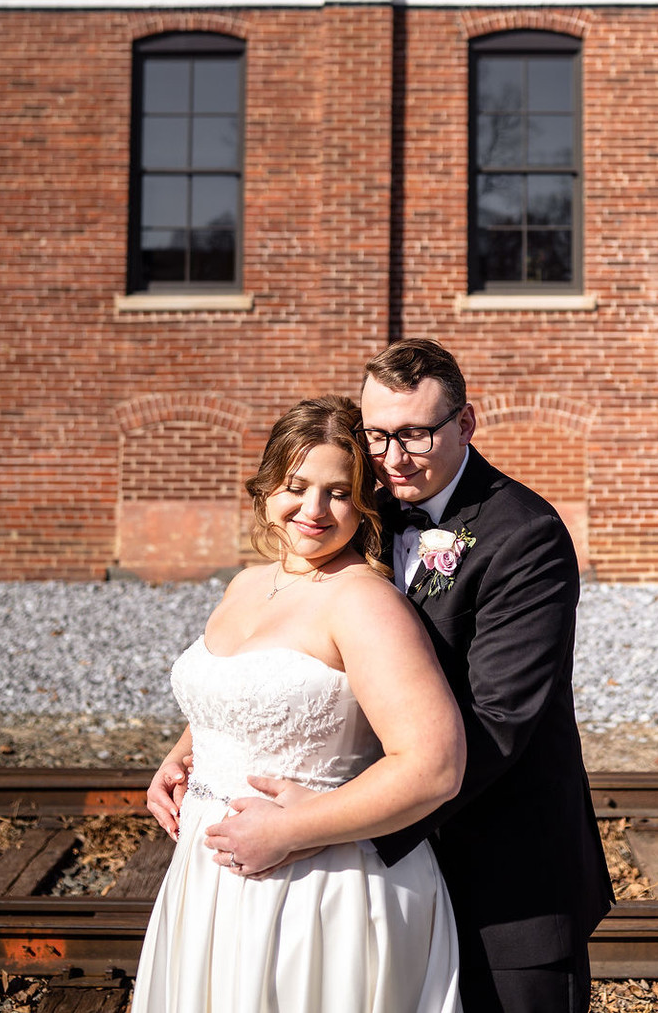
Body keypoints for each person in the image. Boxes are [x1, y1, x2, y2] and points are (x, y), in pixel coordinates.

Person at [216, 341, 614, 1013]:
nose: (393, 458)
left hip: (499, 875)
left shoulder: (526, 536)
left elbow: (500, 723)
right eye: (377, 436)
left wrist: (339, 821)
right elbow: (300, 646)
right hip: (368, 879)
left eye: (415, 434)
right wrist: (206, 736)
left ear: (465, 424)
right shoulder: (361, 509)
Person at [132, 394, 466, 1013]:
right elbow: (237, 690)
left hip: (314, 886)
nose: (313, 510)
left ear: (364, 503)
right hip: (209, 876)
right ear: (264, 489)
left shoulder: (363, 601)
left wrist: (288, 830)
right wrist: (183, 754)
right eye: (295, 485)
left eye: (338, 492)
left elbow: (435, 766)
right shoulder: (248, 583)